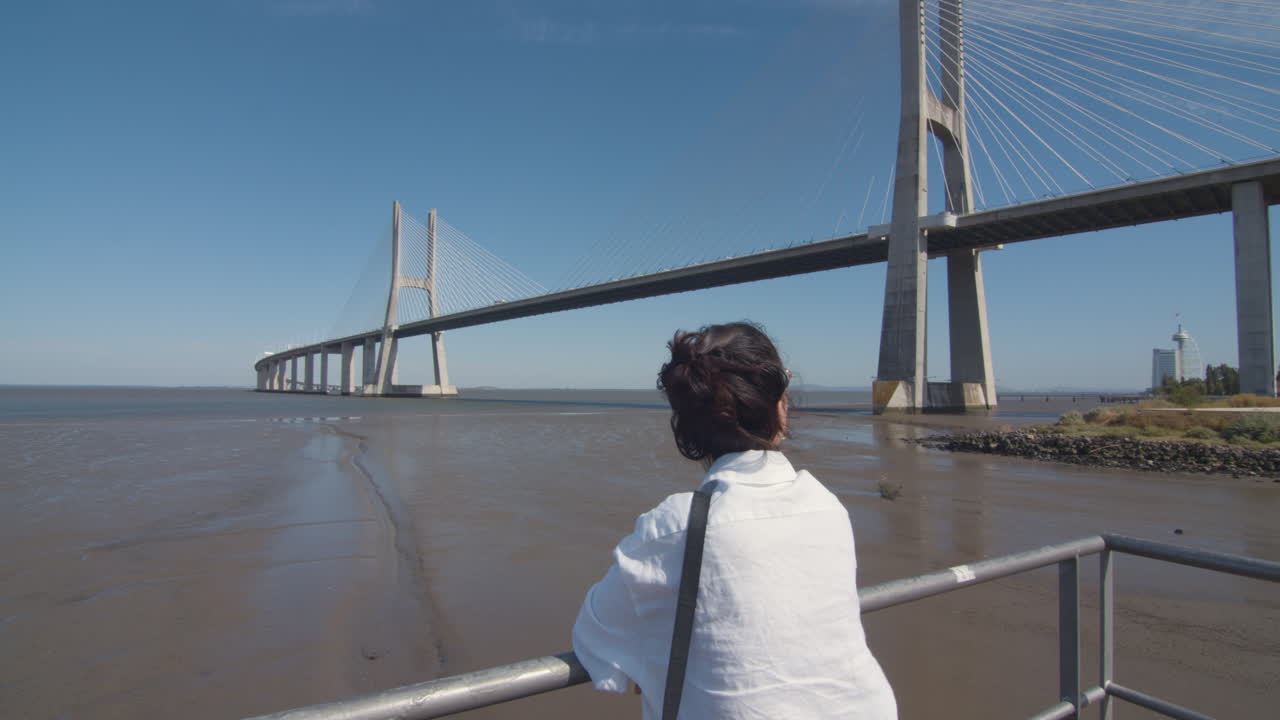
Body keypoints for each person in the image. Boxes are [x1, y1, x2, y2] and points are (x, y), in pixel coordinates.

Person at [572, 321, 897, 719]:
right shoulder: (826, 505)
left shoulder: (677, 526)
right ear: (779, 405)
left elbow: (596, 635)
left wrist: (651, 651)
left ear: (688, 423)